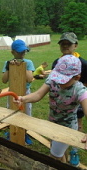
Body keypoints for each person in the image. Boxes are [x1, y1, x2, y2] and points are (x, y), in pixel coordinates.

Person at [13, 55, 87, 165]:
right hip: (52, 124)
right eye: (58, 77)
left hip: (66, 129)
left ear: (77, 78)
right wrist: (23, 99)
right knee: (58, 153)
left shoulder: (79, 89)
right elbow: (38, 95)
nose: (59, 82)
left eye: (63, 80)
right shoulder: (53, 81)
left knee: (53, 157)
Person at [52, 32, 87, 166]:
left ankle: (74, 150)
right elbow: (53, 81)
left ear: (75, 45)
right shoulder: (57, 62)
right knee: (60, 144)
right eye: (63, 43)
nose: (65, 46)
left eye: (69, 44)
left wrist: (76, 93)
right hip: (59, 105)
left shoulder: (83, 64)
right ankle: (63, 155)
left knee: (78, 125)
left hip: (77, 101)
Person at [2, 39, 35, 144]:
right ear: (12, 52)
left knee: (26, 113)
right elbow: (4, 80)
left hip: (25, 93)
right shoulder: (8, 63)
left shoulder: (28, 62)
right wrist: (9, 67)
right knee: (11, 112)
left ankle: (24, 133)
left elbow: (29, 78)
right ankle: (12, 132)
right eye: (19, 52)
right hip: (12, 92)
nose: (22, 54)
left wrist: (22, 65)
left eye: (24, 51)